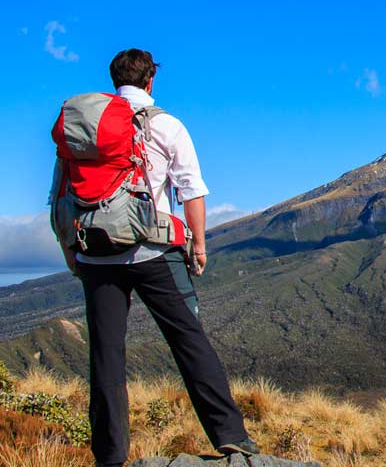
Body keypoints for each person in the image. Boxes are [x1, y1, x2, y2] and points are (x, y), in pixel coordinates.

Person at [56, 49, 258, 467]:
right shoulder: (166, 124)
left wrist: (70, 250)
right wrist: (198, 246)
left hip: (96, 254)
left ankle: (110, 456)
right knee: (190, 341)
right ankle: (231, 438)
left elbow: (60, 196)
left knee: (106, 356)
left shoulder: (82, 129)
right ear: (151, 81)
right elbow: (191, 189)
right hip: (154, 250)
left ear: (115, 79)